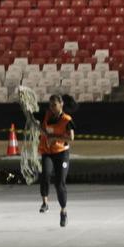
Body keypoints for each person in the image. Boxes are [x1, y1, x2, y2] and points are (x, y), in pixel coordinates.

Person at [37, 94, 76, 227]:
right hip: (47, 152)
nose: (52, 107)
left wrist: (55, 138)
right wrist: (41, 130)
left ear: (61, 104)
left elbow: (71, 138)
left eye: (54, 105)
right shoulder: (47, 115)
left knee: (59, 183)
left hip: (61, 153)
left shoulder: (66, 120)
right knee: (45, 174)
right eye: (50, 105)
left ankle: (63, 211)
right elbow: (42, 127)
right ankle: (45, 203)